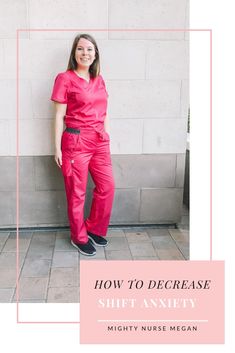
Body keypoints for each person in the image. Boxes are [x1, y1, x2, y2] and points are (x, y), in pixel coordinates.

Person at [51, 33, 115, 256]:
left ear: (95, 54)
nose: (85, 53)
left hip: (99, 141)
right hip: (75, 141)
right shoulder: (64, 78)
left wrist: (106, 136)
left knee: (107, 187)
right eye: (80, 49)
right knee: (77, 193)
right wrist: (57, 148)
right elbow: (59, 116)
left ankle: (95, 229)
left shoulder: (99, 79)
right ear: (74, 53)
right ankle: (78, 236)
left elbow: (105, 111)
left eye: (89, 49)